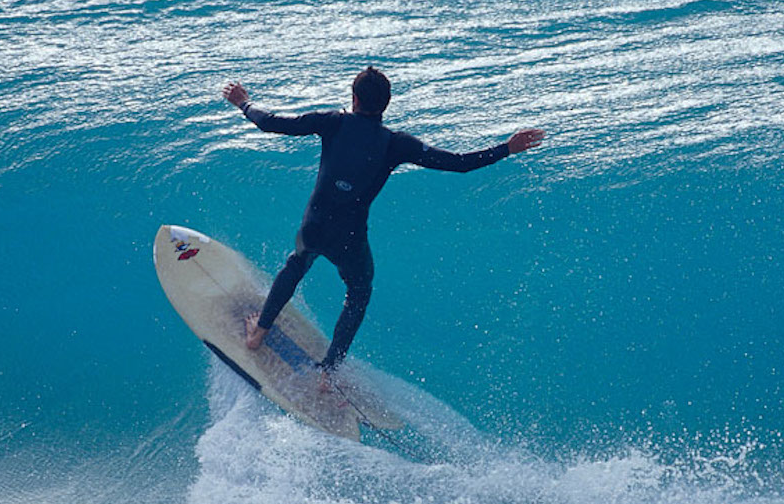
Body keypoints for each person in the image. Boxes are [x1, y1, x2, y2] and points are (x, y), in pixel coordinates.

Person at [223, 67, 544, 373]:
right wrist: (506, 148)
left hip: (315, 225)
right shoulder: (395, 144)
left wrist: (243, 102)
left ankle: (258, 334)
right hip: (349, 238)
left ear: (355, 98)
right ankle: (328, 373)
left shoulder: (332, 122)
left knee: (296, 265)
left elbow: (271, 123)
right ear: (386, 104)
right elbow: (458, 164)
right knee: (358, 294)